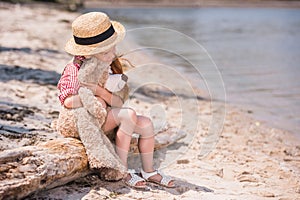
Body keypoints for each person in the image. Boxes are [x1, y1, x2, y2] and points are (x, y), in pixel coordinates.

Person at [57, 12, 174, 189]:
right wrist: (93, 99)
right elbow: (67, 101)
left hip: (106, 117)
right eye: (106, 51)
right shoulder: (75, 70)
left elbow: (118, 103)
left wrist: (99, 92)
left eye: (113, 48)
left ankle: (148, 171)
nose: (113, 54)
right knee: (128, 115)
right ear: (89, 54)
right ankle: (123, 170)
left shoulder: (108, 67)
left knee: (146, 124)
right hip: (84, 123)